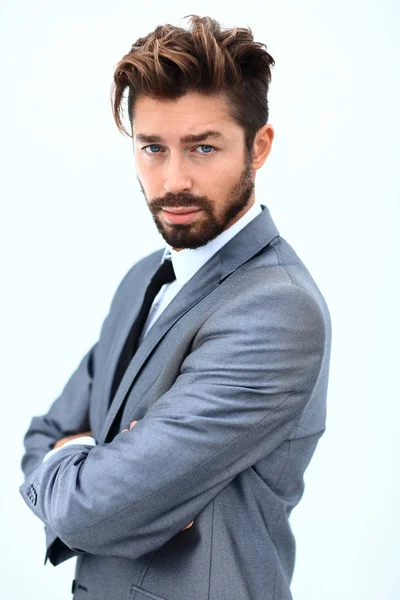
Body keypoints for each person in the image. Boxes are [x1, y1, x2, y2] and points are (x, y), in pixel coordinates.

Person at [19, 14, 332, 600]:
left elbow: (89, 511)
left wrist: (95, 475)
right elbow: (47, 432)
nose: (174, 180)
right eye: (153, 148)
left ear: (258, 147)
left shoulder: (276, 310)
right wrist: (103, 470)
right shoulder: (144, 279)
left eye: (203, 147)